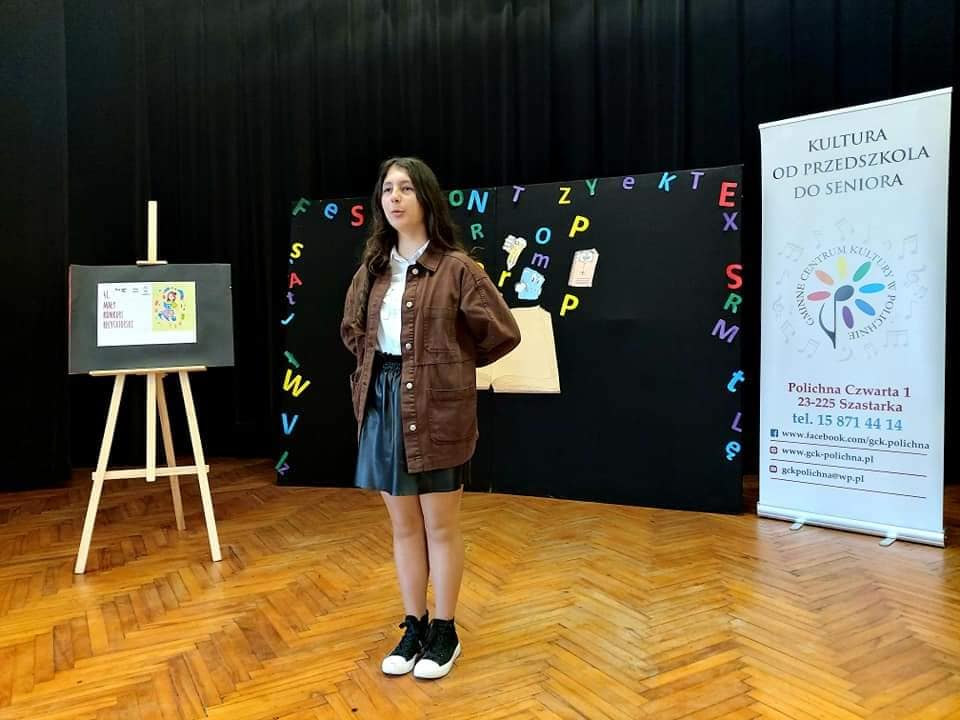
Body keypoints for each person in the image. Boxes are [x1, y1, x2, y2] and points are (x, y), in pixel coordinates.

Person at [340, 157, 521, 679]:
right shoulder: (373, 270)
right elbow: (352, 331)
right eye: (387, 190)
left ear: (426, 198)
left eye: (405, 188)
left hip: (438, 408)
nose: (394, 198)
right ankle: (413, 624)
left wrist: (448, 367)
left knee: (440, 526)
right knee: (403, 527)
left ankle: (445, 630)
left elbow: (502, 333)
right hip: (382, 403)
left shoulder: (457, 269)